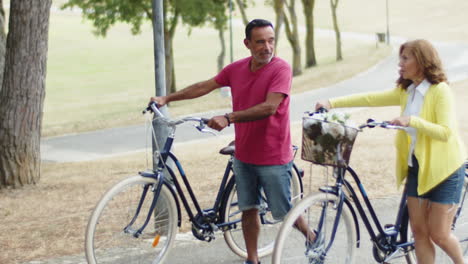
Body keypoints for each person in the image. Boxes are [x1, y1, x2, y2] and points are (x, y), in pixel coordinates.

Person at [150, 19, 314, 264]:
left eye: (271, 41)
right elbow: (204, 86)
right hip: (244, 153)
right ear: (247, 43)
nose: (267, 47)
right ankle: (252, 259)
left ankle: (312, 237)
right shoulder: (236, 69)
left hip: (272, 155)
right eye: (260, 42)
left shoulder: (281, 69)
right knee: (248, 209)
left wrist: (229, 118)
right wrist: (167, 98)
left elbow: (270, 107)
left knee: (284, 212)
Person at [315, 39, 467, 264]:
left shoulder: (439, 91)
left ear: (422, 61)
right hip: (418, 167)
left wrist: (412, 121)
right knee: (418, 232)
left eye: (406, 58)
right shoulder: (407, 91)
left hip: (446, 170)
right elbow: (371, 98)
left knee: (439, 234)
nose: (400, 64)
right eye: (400, 59)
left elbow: (446, 132)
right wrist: (331, 102)